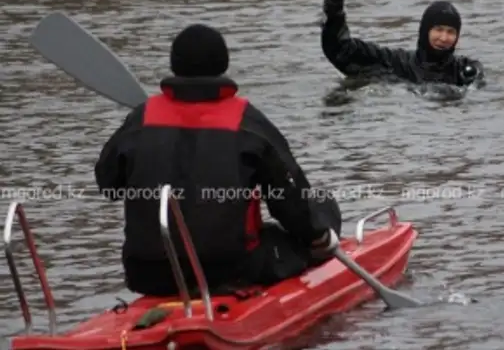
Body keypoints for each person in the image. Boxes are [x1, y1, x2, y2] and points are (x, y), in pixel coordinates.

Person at [94, 23, 342, 297]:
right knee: (320, 204)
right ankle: (323, 246)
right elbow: (291, 201)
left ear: (174, 66)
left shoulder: (141, 119)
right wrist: (318, 235)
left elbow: (108, 184)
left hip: (147, 273)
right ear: (223, 65)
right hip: (230, 269)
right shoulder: (247, 121)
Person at [321, 0, 486, 88]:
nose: (444, 37)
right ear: (424, 31)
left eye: (451, 32)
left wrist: (475, 79)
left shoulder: (463, 71)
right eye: (438, 29)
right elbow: (340, 50)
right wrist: (334, 0)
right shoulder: (395, 64)